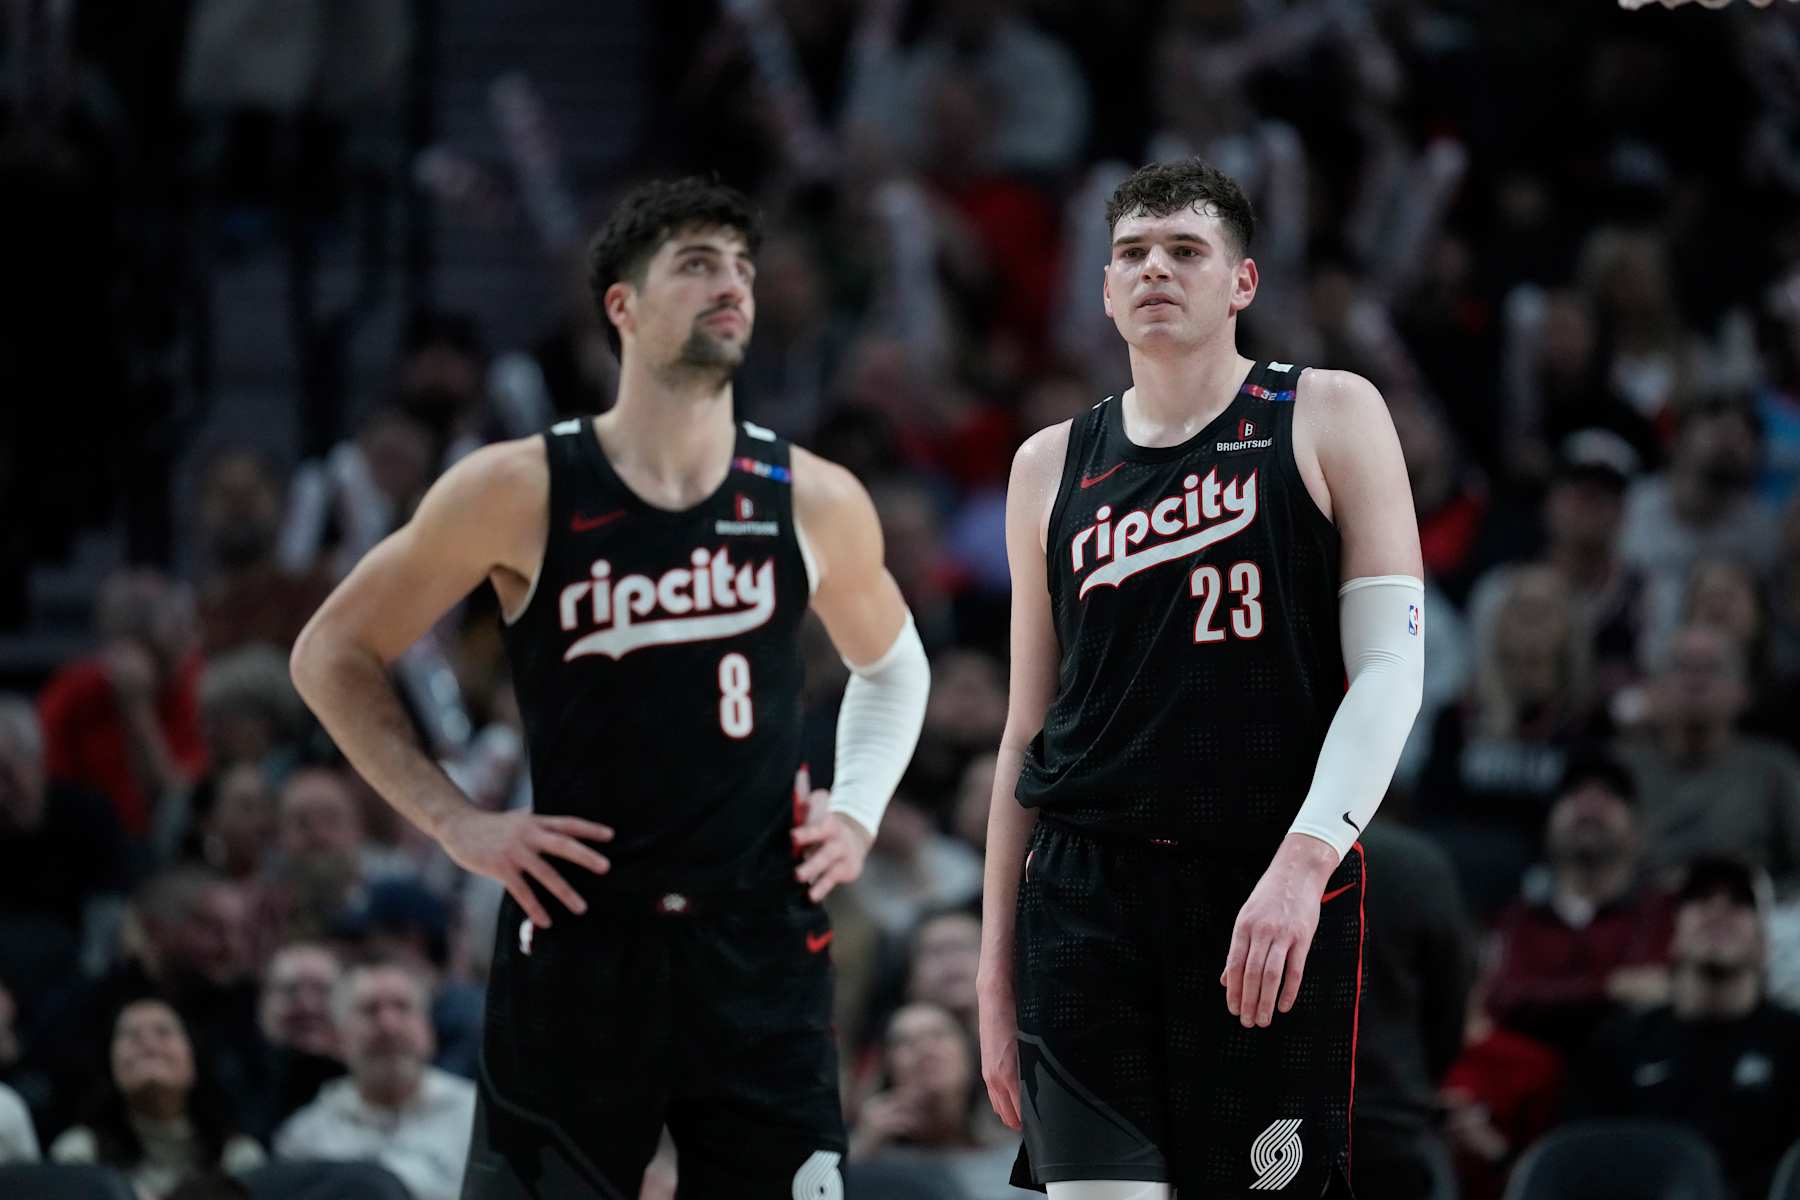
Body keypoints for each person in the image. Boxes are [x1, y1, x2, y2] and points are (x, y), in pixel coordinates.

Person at [290, 175, 930, 1198]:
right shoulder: (518, 487)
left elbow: (894, 665)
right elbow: (329, 652)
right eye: (696, 264)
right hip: (583, 940)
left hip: (756, 944)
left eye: (742, 267)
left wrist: (854, 812)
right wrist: (456, 823)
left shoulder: (810, 495)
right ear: (621, 307)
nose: (732, 285)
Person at [978, 158, 1425, 1198]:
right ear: (1103, 288)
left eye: (1186, 251)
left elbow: (1394, 669)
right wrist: (997, 968)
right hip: (1085, 896)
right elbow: (1023, 734)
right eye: (1132, 253)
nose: (1155, 271)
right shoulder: (1049, 463)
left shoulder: (1328, 411)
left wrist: (1307, 861)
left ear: (1243, 282)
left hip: (1261, 874)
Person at [1571, 855, 1800, 1200]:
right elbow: (1581, 1162)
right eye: (1700, 899)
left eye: (1740, 902)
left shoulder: (1795, 1044)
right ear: (1672, 935)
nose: (1718, 911)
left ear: (1764, 941)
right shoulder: (1617, 1045)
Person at [274, 960, 476, 1200]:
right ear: (338, 1037)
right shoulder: (304, 1140)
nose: (388, 1026)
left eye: (402, 1007)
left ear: (428, 1029)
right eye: (369, 1010)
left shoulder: (476, 1119)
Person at [50, 998, 265, 1198]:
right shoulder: (78, 1154)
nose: (148, 1044)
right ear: (110, 1065)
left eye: (164, 1032)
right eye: (131, 1035)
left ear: (195, 1058)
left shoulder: (239, 1158)